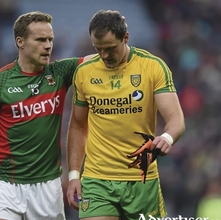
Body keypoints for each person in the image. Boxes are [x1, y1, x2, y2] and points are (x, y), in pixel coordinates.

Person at [0, 11, 94, 220]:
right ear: (20, 42)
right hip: (6, 184)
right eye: (40, 40)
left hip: (48, 187)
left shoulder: (60, 72)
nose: (48, 45)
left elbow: (102, 57)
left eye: (50, 40)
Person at [66, 10, 185, 220]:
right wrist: (74, 174)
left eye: (110, 48)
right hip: (97, 179)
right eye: (98, 49)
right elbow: (77, 125)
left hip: (141, 178)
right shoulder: (84, 72)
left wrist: (167, 138)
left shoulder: (153, 67)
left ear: (126, 38)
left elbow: (176, 120)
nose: (104, 56)